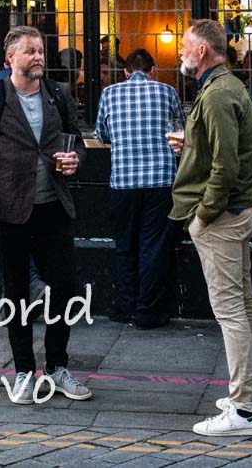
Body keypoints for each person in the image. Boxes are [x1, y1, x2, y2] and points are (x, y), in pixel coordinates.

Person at [0, 25, 92, 404]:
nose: (38, 57)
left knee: (65, 289)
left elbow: (79, 140)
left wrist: (75, 160)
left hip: (53, 205)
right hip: (11, 209)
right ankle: (24, 371)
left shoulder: (58, 93)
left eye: (40, 51)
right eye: (30, 52)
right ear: (10, 59)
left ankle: (57, 367)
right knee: (17, 294)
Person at [169, 19, 252, 438]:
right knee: (245, 304)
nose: (180, 53)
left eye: (185, 47)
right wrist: (189, 144)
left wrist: (203, 216)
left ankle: (243, 411)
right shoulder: (227, 88)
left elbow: (226, 167)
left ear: (204, 52)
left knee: (230, 311)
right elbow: (222, 150)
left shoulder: (216, 95)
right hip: (239, 211)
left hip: (223, 218)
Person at [95, 48, 179, 328]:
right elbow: (179, 129)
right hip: (161, 180)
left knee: (125, 246)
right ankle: (147, 311)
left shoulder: (109, 94)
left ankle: (126, 306)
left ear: (125, 72)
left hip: (124, 180)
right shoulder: (167, 92)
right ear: (152, 70)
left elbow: (102, 134)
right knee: (153, 246)